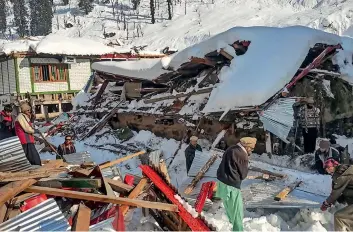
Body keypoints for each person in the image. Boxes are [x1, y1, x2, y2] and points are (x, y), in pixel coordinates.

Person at [216, 137, 257, 232]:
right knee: (237, 213)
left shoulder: (231, 148)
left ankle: (233, 228)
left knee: (230, 211)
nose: (251, 151)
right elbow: (243, 175)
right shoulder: (243, 155)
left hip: (222, 183)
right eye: (251, 148)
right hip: (232, 186)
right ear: (247, 147)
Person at [320, 158, 353, 231]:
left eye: (327, 167)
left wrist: (326, 204)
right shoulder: (344, 171)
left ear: (333, 166)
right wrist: (340, 199)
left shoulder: (342, 175)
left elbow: (335, 193)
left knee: (338, 217)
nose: (327, 170)